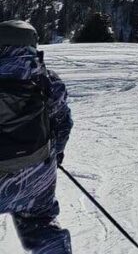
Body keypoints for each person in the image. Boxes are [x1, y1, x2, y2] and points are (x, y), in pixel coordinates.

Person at [0, 20, 74, 253]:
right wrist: (56, 154)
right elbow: (63, 123)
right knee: (40, 222)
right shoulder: (48, 81)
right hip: (35, 175)